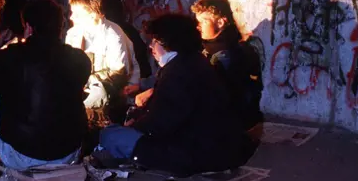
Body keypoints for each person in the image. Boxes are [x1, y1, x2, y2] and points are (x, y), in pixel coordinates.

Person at [99, 14, 256, 177]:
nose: (151, 48)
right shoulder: (192, 61)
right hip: (210, 145)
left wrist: (134, 127)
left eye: (154, 41)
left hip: (194, 153)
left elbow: (161, 123)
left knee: (110, 134)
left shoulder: (177, 72)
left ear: (168, 42)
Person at [0, 0, 92, 170]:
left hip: (24, 156)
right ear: (60, 29)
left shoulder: (13, 56)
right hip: (70, 154)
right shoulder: (80, 59)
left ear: (29, 27)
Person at [191, 0, 264, 139]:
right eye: (198, 21)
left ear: (220, 22)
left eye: (203, 21)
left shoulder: (230, 53)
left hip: (227, 124)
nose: (198, 26)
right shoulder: (204, 47)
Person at [65, 0, 140, 109]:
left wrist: (86, 80)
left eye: (77, 14)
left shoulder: (114, 35)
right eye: (72, 12)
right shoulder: (72, 34)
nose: (72, 17)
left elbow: (118, 74)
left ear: (93, 15)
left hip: (114, 93)